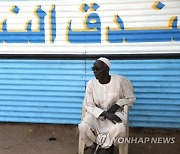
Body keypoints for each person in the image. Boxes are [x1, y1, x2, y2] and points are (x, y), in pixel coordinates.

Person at [78, 57, 136, 154]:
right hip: (96, 115)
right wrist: (105, 113)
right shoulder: (91, 84)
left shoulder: (119, 81)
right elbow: (88, 104)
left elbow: (131, 98)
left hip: (115, 115)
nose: (95, 72)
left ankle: (108, 145)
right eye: (93, 69)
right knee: (83, 127)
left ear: (106, 69)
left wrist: (117, 105)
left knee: (120, 129)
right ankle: (97, 144)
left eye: (97, 69)